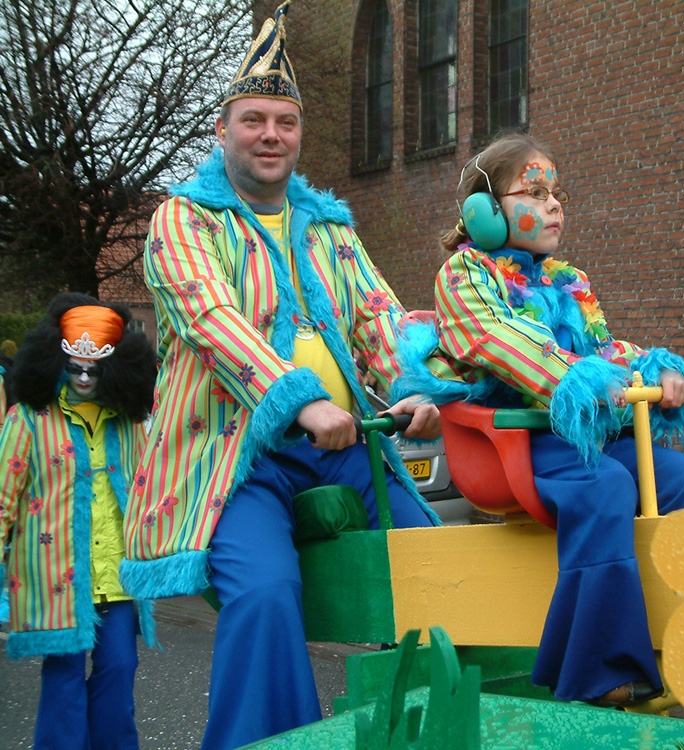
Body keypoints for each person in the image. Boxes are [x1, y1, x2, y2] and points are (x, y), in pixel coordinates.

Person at [118, 4, 441, 749]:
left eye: (285, 123)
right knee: (264, 595)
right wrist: (301, 401)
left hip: (348, 444)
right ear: (223, 130)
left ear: (299, 134)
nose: (271, 135)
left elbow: (378, 317)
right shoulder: (183, 220)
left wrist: (414, 385)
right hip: (234, 457)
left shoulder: (331, 228)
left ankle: (431, 728)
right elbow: (209, 319)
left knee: (436, 567)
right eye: (254, 120)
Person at [393, 132, 684, 707]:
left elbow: (604, 350)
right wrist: (584, 380)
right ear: (486, 212)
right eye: (535, 193)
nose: (554, 205)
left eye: (556, 193)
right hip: (507, 441)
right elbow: (502, 341)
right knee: (605, 485)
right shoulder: (465, 275)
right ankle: (598, 670)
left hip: (575, 437)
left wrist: (657, 370)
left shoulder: (567, 281)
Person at [0, 293, 158, 750]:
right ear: (56, 361)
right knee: (64, 676)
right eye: (75, 367)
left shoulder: (129, 422)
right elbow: (3, 496)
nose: (85, 377)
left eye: (96, 369)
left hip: (117, 578)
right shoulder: (27, 419)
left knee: (120, 668)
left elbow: (147, 489)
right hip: (54, 577)